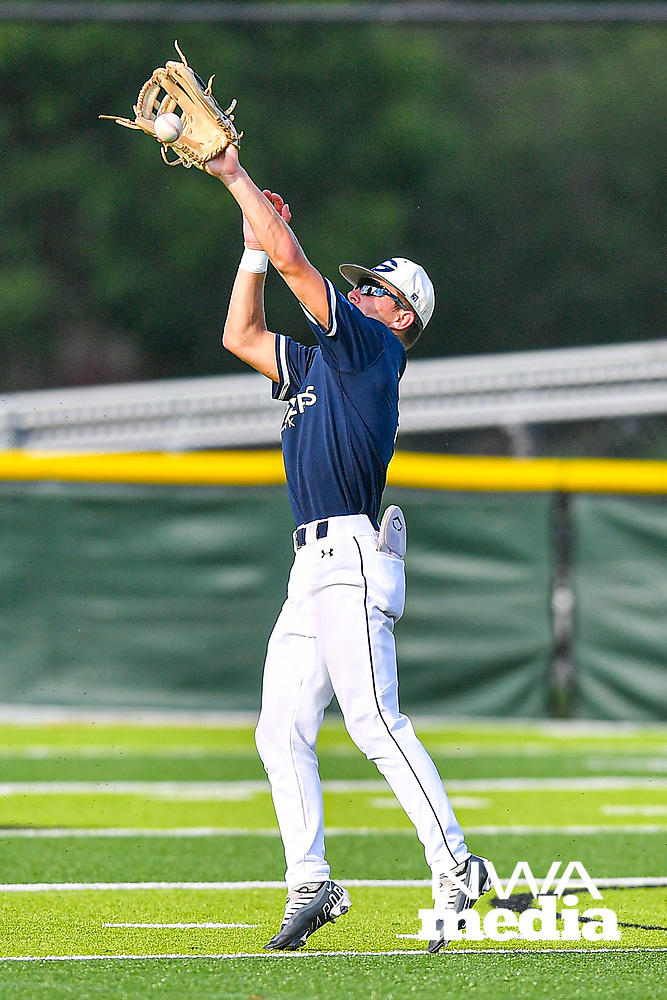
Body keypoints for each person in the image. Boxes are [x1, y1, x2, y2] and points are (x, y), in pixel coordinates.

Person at [205, 146, 490, 952]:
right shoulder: (322, 358)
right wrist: (254, 246)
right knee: (278, 728)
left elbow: (299, 265)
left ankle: (455, 864)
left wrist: (235, 177)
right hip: (311, 568)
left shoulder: (370, 352)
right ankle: (312, 881)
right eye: (360, 285)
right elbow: (240, 332)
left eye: (378, 291)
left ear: (401, 317)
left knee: (372, 720)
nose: (361, 293)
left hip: (350, 558)